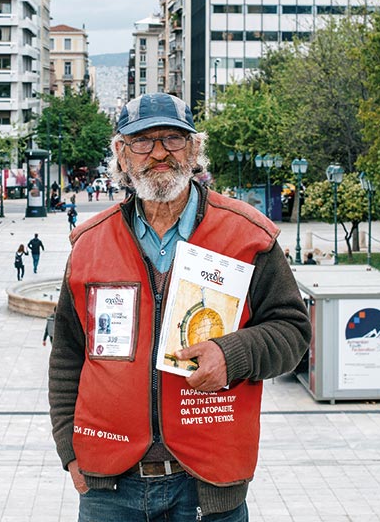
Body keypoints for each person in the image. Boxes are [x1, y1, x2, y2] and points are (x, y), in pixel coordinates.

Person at [48, 92, 311, 521]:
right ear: (121, 153)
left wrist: (233, 354)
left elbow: (293, 330)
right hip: (108, 489)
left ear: (194, 148)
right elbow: (67, 356)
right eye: (142, 141)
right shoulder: (90, 243)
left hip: (207, 484)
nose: (158, 153)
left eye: (172, 138)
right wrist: (69, 450)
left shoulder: (247, 236)